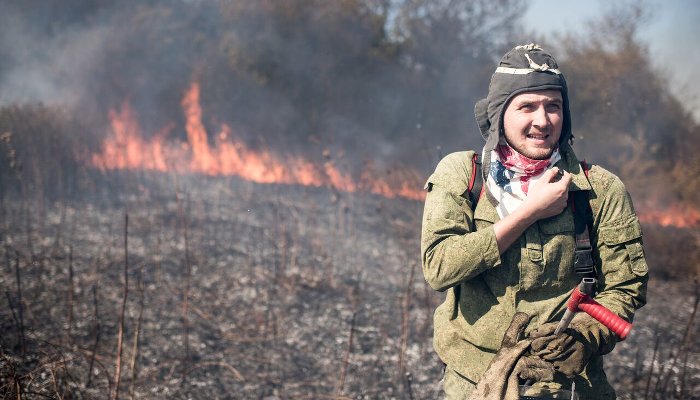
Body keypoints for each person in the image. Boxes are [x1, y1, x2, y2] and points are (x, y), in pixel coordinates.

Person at [421, 44, 648, 399]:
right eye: (526, 106)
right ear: (499, 115)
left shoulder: (601, 190)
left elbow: (625, 287)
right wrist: (530, 211)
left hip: (570, 387)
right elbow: (439, 267)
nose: (542, 121)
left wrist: (585, 337)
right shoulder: (463, 175)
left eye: (553, 106)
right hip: (475, 384)